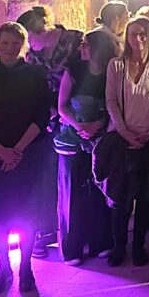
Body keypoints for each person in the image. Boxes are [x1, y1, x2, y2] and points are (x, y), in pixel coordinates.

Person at [0, 22, 53, 296]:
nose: (9, 48)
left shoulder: (35, 74)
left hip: (27, 153)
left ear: (23, 46)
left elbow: (42, 114)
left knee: (26, 214)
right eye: (4, 43)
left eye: (15, 43)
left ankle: (26, 269)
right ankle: (3, 269)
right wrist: (2, 150)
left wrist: (17, 149)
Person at [102, 16, 149, 267]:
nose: (138, 38)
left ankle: (139, 246)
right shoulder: (116, 65)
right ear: (126, 37)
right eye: (133, 34)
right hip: (122, 138)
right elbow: (111, 101)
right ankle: (118, 246)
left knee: (144, 196)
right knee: (121, 196)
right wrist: (124, 131)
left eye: (143, 33)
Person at [18, 4, 84, 258]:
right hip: (45, 121)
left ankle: (74, 234)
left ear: (43, 30)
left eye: (30, 38)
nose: (28, 45)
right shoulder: (32, 56)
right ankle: (43, 233)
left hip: (72, 117)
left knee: (71, 179)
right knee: (44, 178)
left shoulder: (74, 41)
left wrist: (64, 108)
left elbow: (86, 76)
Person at [54, 30, 118, 265]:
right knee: (73, 193)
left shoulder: (112, 71)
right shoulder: (74, 70)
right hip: (73, 136)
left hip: (101, 137)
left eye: (86, 45)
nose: (82, 49)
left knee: (100, 191)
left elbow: (116, 103)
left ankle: (101, 241)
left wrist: (99, 124)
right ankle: (73, 248)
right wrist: (80, 125)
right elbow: (62, 106)